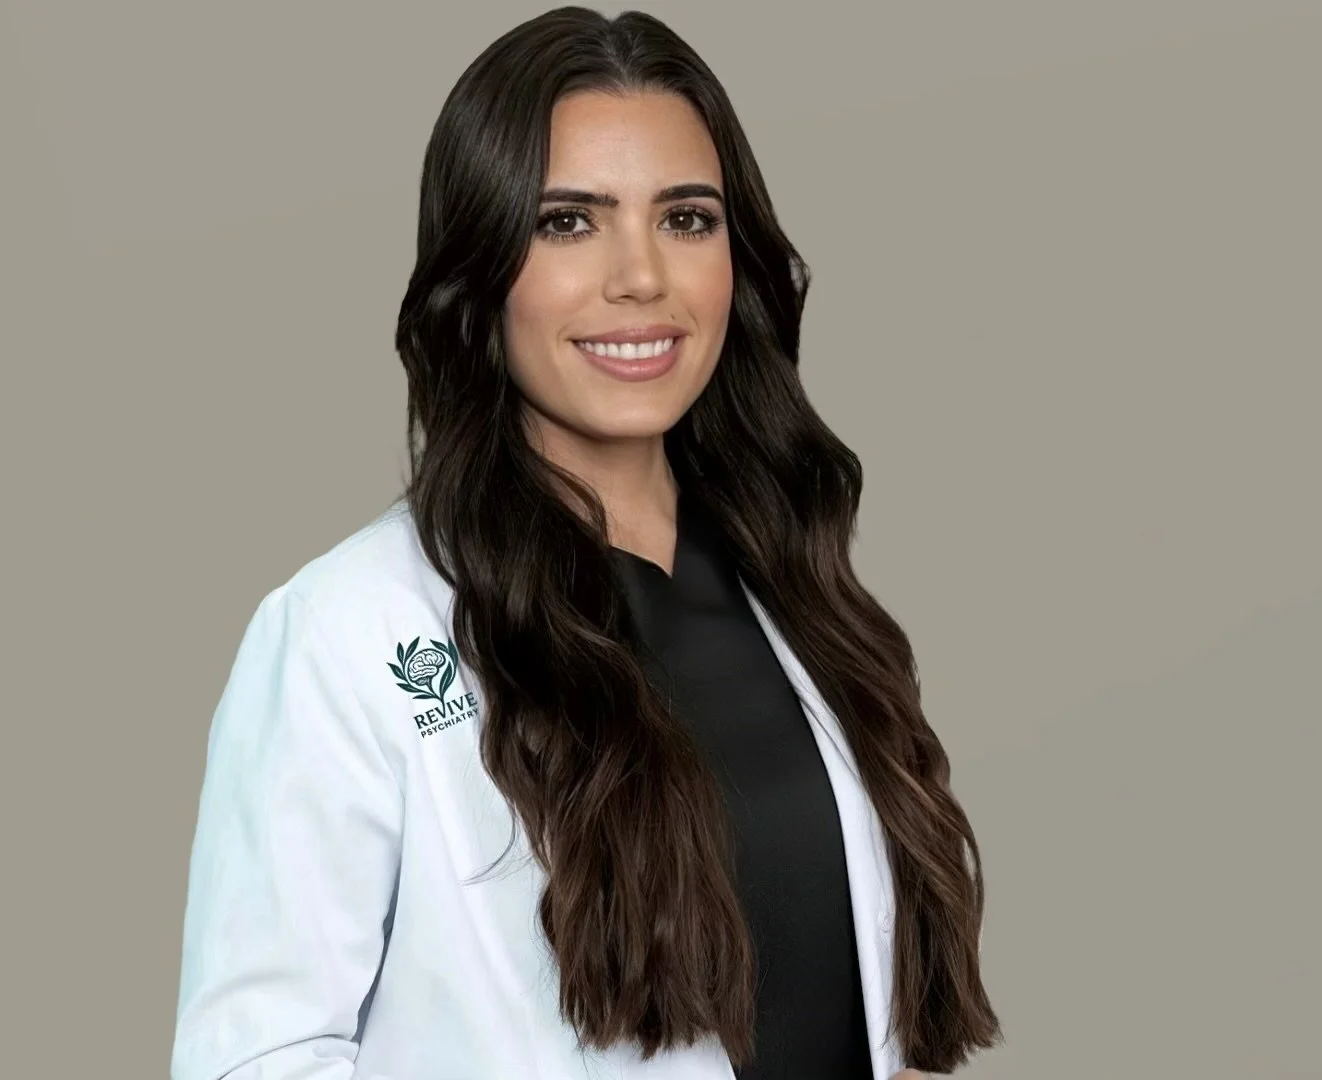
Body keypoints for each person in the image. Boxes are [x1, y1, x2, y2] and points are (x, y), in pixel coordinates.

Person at [169, 7, 999, 1078]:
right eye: (568, 222)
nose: (640, 278)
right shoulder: (348, 633)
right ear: (480, 268)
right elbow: (254, 1061)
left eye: (686, 219)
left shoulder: (799, 594)